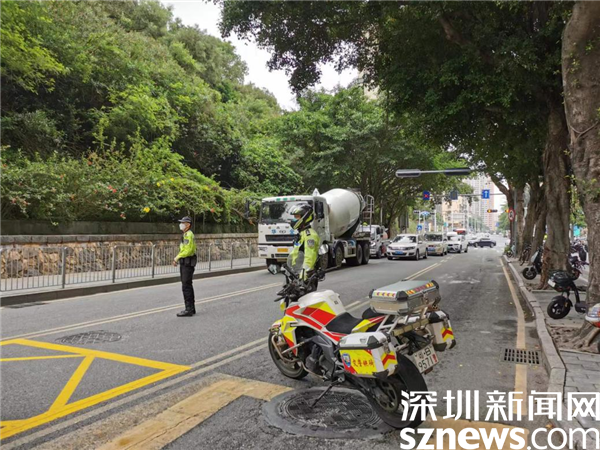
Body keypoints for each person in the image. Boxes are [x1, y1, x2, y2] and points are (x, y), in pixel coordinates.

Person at [289, 204, 320, 291]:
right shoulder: (302, 233)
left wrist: (303, 276)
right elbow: (296, 253)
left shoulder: (310, 235)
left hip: (306, 279)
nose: (294, 219)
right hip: (297, 275)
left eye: (297, 217)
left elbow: (310, 257)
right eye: (294, 217)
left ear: (305, 217)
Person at [172, 216, 197, 317]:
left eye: (183, 223)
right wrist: (178, 258)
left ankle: (188, 309)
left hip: (187, 262)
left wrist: (176, 258)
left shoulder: (188, 235)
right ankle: (191, 308)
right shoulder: (186, 234)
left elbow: (188, 251)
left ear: (188, 225)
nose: (181, 224)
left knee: (186, 286)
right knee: (187, 285)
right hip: (186, 262)